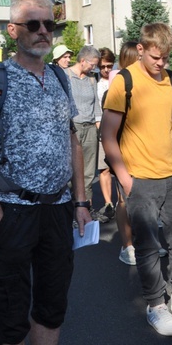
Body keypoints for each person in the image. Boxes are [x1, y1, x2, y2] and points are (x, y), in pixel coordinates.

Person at [0, 0, 92, 345]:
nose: (43, 31)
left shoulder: (59, 77)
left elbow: (72, 141)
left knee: (52, 306)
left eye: (49, 24)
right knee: (11, 310)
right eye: (33, 24)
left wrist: (81, 200)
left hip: (58, 209)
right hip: (12, 210)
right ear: (12, 31)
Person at [101, 22, 172, 337]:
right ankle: (156, 304)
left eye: (166, 58)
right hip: (140, 178)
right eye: (156, 57)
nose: (161, 64)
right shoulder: (123, 81)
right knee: (148, 246)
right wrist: (126, 178)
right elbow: (107, 134)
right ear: (140, 49)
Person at [108, 41, 139, 266]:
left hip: (142, 152)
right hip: (123, 152)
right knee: (124, 201)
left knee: (143, 201)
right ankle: (127, 246)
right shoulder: (120, 83)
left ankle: (144, 243)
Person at [67, 46, 103, 220]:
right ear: (82, 61)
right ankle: (69, 210)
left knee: (89, 171)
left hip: (90, 129)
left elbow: (96, 104)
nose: (94, 68)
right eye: (93, 65)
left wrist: (99, 127)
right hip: (71, 128)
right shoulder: (65, 76)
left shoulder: (91, 79)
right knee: (70, 171)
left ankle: (86, 210)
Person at [95, 47, 117, 224]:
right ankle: (108, 203)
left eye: (109, 66)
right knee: (105, 168)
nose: (106, 70)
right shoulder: (94, 82)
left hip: (119, 127)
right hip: (102, 127)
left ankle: (123, 201)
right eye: (102, 67)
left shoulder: (118, 79)